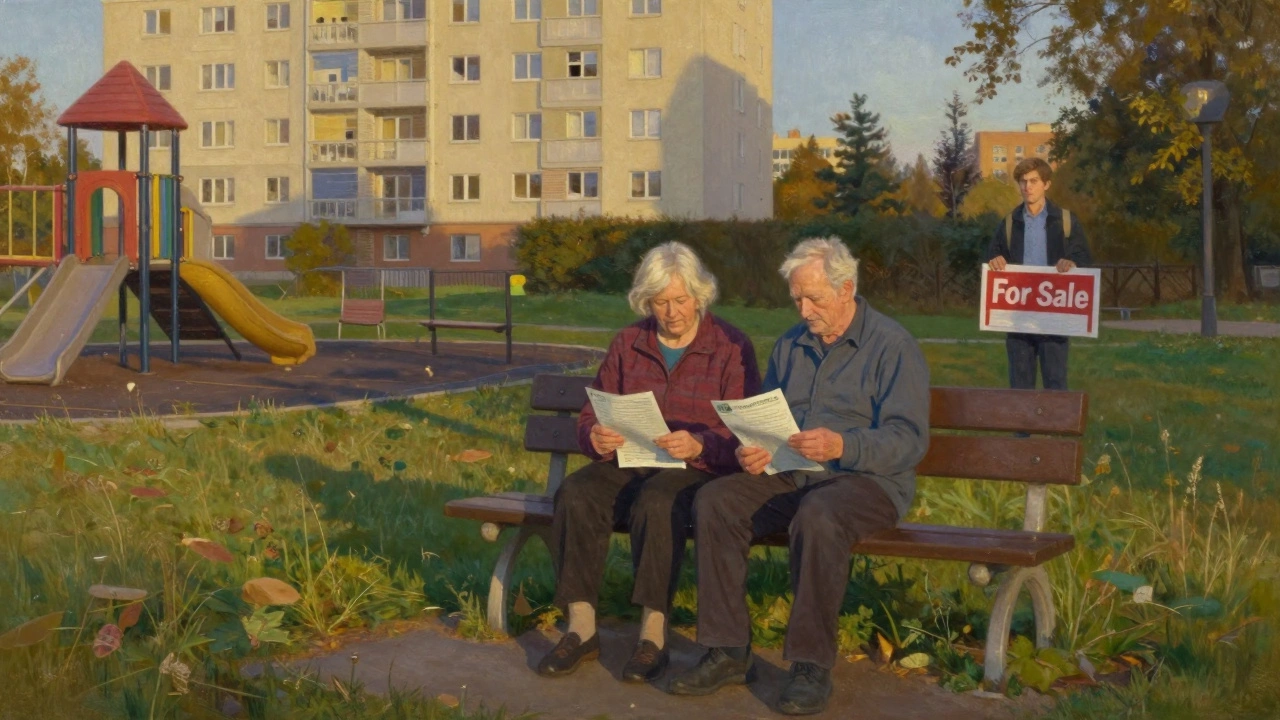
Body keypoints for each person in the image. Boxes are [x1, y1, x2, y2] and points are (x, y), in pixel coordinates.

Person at [667, 238, 930, 716]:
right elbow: (771, 415)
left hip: (869, 483)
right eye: (797, 300)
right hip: (794, 472)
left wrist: (843, 445)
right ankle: (727, 650)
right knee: (715, 500)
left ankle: (811, 666)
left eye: (815, 299)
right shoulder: (792, 344)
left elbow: (908, 439)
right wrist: (756, 449)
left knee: (819, 514)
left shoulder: (892, 345)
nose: (804, 311)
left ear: (846, 288)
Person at [537, 242, 761, 683]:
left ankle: (652, 636)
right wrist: (596, 435)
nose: (672, 312)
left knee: (658, 502)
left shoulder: (731, 346)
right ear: (646, 301)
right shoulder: (628, 342)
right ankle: (581, 629)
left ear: (699, 297)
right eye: (660, 302)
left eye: (680, 300)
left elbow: (745, 427)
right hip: (632, 458)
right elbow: (591, 413)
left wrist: (700, 446)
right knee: (577, 493)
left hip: (696, 468)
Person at [985, 157, 1093, 390]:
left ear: (1046, 184)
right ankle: (1022, 429)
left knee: (1055, 384)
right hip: (1018, 317)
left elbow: (1085, 261)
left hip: (1054, 315)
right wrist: (996, 261)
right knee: (1020, 386)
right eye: (1023, 182)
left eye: (1034, 181)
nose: (1027, 187)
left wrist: (1071, 264)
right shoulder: (1009, 223)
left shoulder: (1065, 221)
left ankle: (1054, 429)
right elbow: (990, 260)